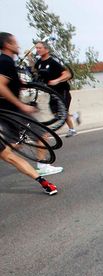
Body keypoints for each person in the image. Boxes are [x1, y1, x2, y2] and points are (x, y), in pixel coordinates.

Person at [0, 32, 63, 176]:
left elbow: (6, 83)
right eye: (15, 42)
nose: (18, 45)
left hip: (6, 111)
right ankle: (43, 166)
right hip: (13, 110)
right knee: (42, 134)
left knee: (15, 142)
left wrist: (17, 84)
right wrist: (21, 105)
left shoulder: (5, 61)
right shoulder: (5, 61)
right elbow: (0, 86)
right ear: (7, 45)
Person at [33, 41, 77, 137]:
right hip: (52, 92)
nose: (38, 50)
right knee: (55, 111)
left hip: (62, 90)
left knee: (62, 112)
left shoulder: (53, 62)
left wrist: (57, 80)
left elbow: (67, 74)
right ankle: (75, 116)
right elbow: (35, 72)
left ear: (46, 49)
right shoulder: (39, 63)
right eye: (36, 48)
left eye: (40, 48)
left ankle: (72, 129)